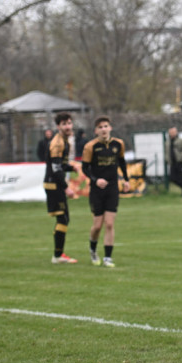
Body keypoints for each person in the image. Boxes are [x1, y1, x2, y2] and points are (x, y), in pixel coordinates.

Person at [82, 116, 130, 268]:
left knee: (109, 224)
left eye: (106, 126)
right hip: (97, 190)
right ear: (96, 130)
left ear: (110, 128)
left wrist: (126, 180)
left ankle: (108, 257)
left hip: (112, 188)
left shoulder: (118, 144)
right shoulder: (91, 147)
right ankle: (93, 250)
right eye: (100, 127)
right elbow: (85, 168)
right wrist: (96, 180)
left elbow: (121, 162)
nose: (104, 129)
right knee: (97, 226)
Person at [43, 115, 77, 264]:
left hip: (54, 183)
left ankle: (59, 254)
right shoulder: (57, 143)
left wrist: (71, 167)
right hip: (53, 184)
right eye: (64, 124)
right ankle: (57, 256)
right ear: (58, 127)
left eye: (69, 123)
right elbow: (56, 168)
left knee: (63, 219)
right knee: (62, 218)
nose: (68, 126)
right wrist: (66, 188)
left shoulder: (65, 141)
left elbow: (61, 165)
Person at [166, 126, 182, 197]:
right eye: (170, 132)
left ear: (176, 132)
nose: (172, 134)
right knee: (173, 178)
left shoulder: (180, 140)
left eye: (173, 132)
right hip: (172, 162)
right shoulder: (168, 141)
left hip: (180, 162)